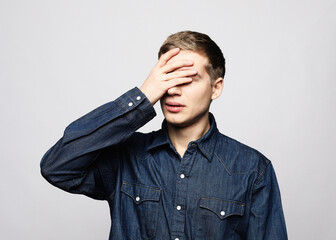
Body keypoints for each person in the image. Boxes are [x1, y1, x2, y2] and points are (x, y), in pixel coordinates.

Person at [41, 31, 287, 240]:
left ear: (216, 87)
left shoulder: (253, 169)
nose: (172, 90)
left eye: (188, 79)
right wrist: (142, 98)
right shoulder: (125, 157)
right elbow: (57, 167)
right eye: (167, 78)